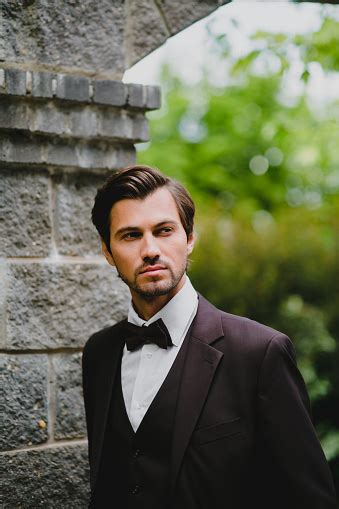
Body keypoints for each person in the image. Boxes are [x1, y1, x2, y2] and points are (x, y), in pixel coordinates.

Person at [82, 164, 337, 509]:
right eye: (130, 235)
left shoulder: (260, 352)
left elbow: (310, 498)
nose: (150, 249)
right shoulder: (99, 353)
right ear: (107, 252)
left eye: (164, 230)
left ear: (189, 239)